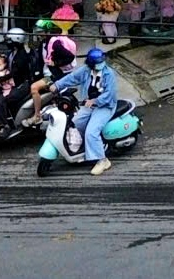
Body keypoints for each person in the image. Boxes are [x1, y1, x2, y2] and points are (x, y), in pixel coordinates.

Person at [51, 47, 119, 175]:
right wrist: (57, 85)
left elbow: (110, 94)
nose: (101, 65)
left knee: (91, 132)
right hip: (88, 104)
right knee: (76, 123)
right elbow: (72, 77)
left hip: (105, 106)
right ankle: (88, 147)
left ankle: (102, 160)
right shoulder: (86, 71)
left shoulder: (109, 74)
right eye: (98, 63)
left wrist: (95, 101)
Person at [28, 31, 78, 125]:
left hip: (53, 75)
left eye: (41, 31)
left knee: (34, 88)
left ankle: (37, 116)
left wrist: (56, 63)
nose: (39, 34)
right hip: (45, 74)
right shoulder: (43, 43)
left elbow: (69, 57)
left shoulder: (54, 43)